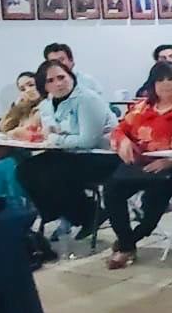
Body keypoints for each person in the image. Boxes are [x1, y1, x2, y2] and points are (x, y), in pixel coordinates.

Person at [101, 62, 172, 269]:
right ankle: (126, 242)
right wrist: (123, 141)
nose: (166, 84)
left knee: (156, 198)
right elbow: (119, 129)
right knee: (112, 189)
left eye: (171, 79)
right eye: (160, 80)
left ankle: (129, 242)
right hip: (140, 164)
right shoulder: (141, 107)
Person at [15, 59, 117, 237]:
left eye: (62, 77)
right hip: (70, 153)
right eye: (50, 81)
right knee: (26, 170)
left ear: (71, 76)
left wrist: (55, 138)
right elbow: (49, 132)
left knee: (54, 173)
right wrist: (51, 136)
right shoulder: (47, 104)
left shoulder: (87, 99)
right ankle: (65, 215)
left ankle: (90, 214)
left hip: (102, 155)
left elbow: (87, 140)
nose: (58, 83)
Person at [0, 72, 42, 211]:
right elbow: (4, 127)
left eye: (31, 85)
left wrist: (15, 132)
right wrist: (17, 107)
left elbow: (29, 130)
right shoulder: (24, 107)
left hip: (42, 154)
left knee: (13, 171)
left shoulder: (47, 104)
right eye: (22, 89)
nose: (27, 90)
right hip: (23, 153)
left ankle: (21, 212)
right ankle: (0, 213)